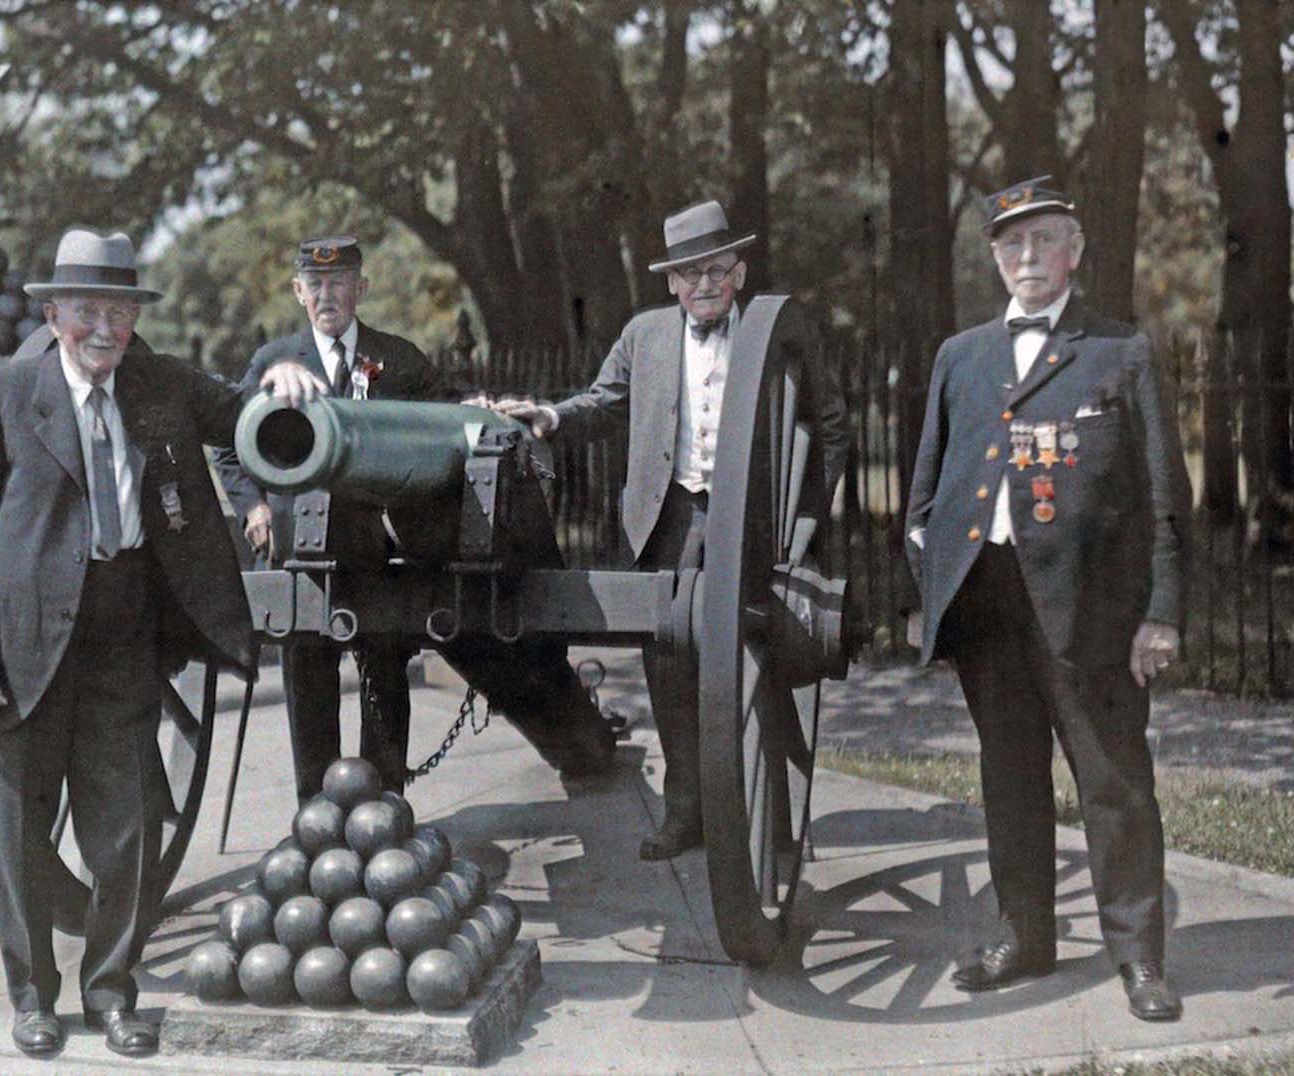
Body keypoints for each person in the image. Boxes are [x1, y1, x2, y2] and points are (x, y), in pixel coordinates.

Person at [0, 229, 323, 1058]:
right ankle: (34, 998)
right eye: (87, 313)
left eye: (119, 312)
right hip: (17, 646)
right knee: (20, 834)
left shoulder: (159, 383)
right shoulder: (1, 396)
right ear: (53, 314)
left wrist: (285, 383)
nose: (104, 330)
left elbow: (243, 411)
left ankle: (111, 992)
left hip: (121, 632)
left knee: (126, 829)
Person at [904, 177, 1190, 1021]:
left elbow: (1163, 497)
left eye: (1044, 242)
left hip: (1092, 612)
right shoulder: (961, 356)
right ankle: (1025, 938)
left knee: (1114, 783)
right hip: (990, 605)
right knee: (1009, 777)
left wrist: (1162, 611)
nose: (1027, 259)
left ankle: (1139, 958)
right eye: (1011, 246)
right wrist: (931, 583)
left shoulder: (1120, 351)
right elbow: (927, 491)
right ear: (995, 258)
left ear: (1074, 252)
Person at [498, 200, 849, 860]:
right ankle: (686, 813)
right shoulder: (646, 336)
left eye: (716, 270)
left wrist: (803, 520)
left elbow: (830, 426)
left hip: (751, 522)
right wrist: (548, 415)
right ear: (670, 282)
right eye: (690, 274)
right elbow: (603, 405)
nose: (705, 285)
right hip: (669, 519)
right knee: (670, 670)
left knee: (755, 665)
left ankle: (769, 827)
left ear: (739, 273)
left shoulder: (779, 334)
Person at [216, 235, 445, 800]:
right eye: (314, 284)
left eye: (339, 281)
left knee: (385, 670)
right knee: (308, 677)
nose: (327, 294)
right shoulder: (273, 363)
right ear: (298, 292)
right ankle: (312, 813)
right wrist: (255, 507)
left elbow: (444, 434)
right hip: (301, 550)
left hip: (380, 548)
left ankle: (387, 805)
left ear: (361, 288)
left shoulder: (401, 360)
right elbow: (229, 445)